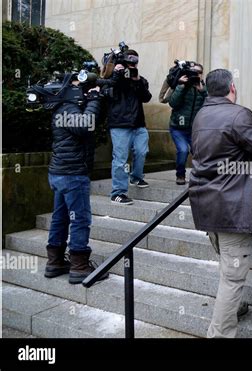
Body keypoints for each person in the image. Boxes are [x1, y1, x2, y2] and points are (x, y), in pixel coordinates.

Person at [189, 69, 252, 338]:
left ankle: (234, 307)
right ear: (232, 87)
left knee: (227, 266)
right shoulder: (239, 114)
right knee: (233, 276)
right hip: (231, 209)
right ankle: (219, 334)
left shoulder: (200, 116)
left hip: (206, 205)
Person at [45, 78, 109, 284]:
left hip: (61, 173)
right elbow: (85, 125)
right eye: (75, 87)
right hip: (72, 174)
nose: (79, 90)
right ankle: (79, 265)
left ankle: (55, 262)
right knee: (79, 219)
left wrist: (94, 100)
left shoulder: (62, 107)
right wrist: (94, 99)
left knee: (60, 217)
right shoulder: (67, 108)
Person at [107, 49, 153, 205]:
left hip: (138, 124)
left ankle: (136, 177)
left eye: (134, 64)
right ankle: (118, 193)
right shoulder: (114, 78)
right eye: (129, 64)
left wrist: (138, 81)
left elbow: (147, 98)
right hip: (120, 124)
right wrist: (115, 73)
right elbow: (105, 88)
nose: (131, 67)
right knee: (120, 160)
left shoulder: (140, 80)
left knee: (142, 151)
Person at [168, 63, 207, 185]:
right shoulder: (182, 85)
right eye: (194, 72)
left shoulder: (204, 88)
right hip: (177, 128)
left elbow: (210, 106)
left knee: (199, 152)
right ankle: (180, 174)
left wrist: (203, 91)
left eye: (199, 72)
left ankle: (199, 175)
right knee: (183, 150)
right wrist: (181, 86)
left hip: (194, 129)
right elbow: (173, 103)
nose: (197, 75)